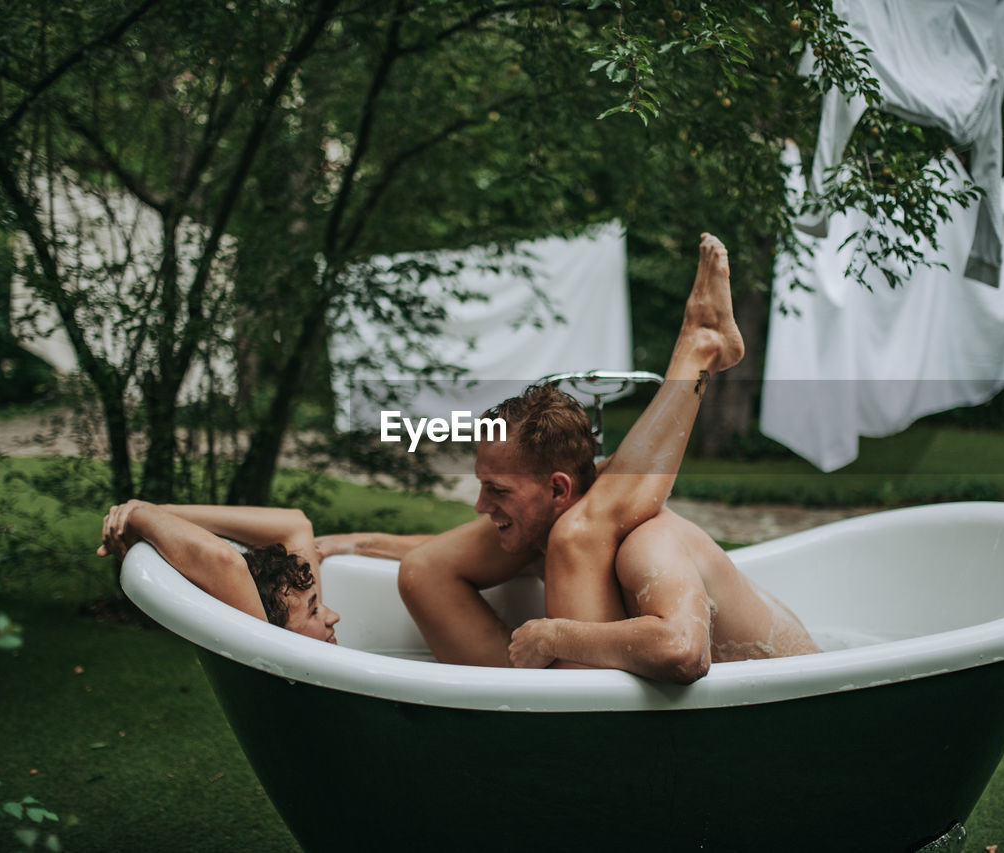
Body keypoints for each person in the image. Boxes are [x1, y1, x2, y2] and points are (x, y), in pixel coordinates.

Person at [329, 233, 818, 682]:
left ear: (560, 489)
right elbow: (435, 551)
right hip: (692, 718)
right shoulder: (546, 530)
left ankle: (701, 345)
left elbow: (686, 651)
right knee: (424, 570)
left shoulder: (649, 543)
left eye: (498, 489)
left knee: (575, 537)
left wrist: (553, 635)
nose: (480, 505)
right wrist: (350, 543)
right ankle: (523, 719)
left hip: (803, 701)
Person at [97, 502, 340, 642]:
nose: (334, 617)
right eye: (314, 610)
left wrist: (157, 510)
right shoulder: (269, 649)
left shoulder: (299, 629)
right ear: (269, 627)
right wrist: (138, 517)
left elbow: (296, 524)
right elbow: (223, 561)